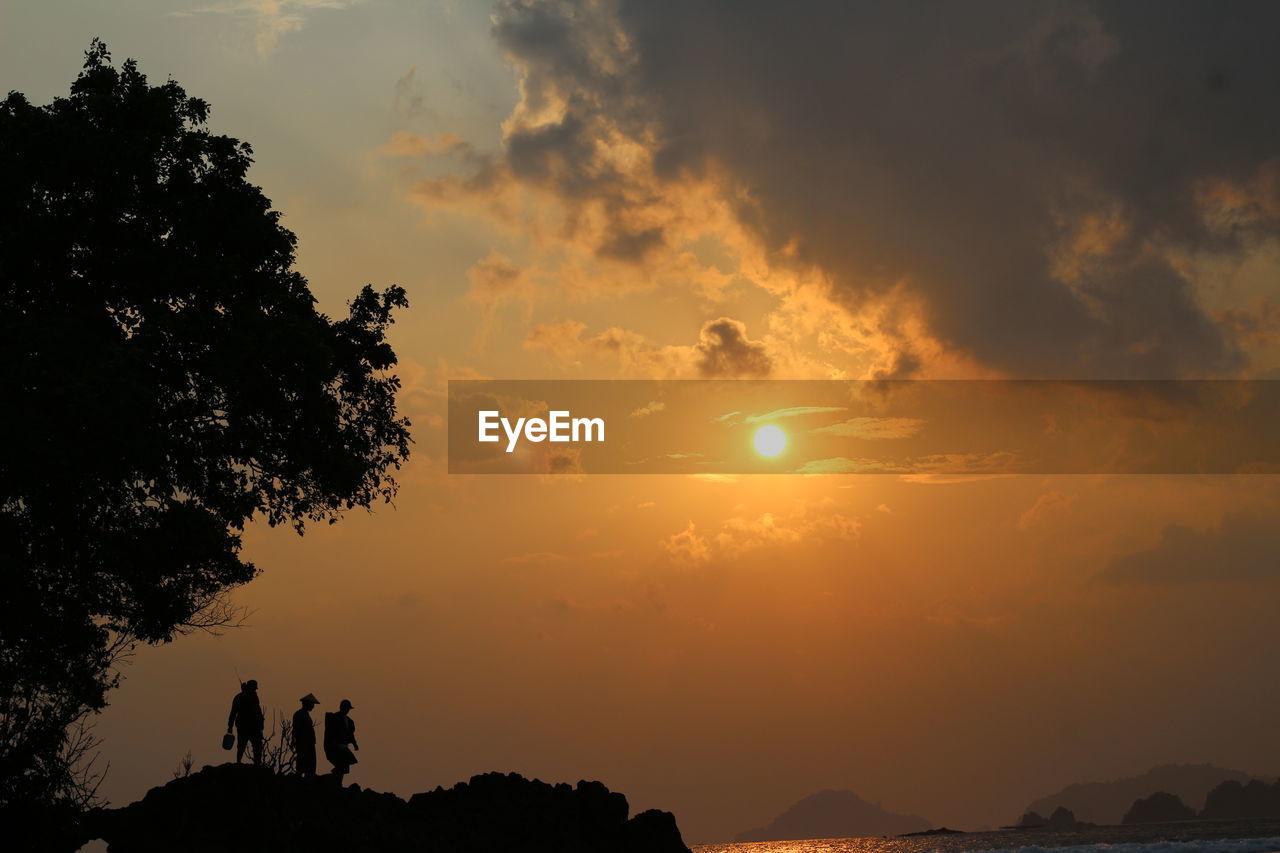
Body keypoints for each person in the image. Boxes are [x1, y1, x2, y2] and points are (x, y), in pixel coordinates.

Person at [227, 679, 265, 765]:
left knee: (254, 746)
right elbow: (233, 713)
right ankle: (240, 762)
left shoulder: (241, 697)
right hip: (246, 726)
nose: (255, 690)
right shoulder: (245, 697)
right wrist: (230, 726)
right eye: (254, 688)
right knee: (243, 746)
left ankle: (255, 763)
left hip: (250, 726)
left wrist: (230, 727)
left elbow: (258, 712)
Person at [323, 698, 359, 779]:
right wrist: (332, 744)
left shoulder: (349, 721)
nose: (347, 710)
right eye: (345, 708)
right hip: (335, 747)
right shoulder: (334, 718)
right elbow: (330, 733)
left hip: (344, 746)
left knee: (344, 766)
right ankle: (331, 780)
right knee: (341, 765)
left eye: (348, 709)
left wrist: (355, 744)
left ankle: (337, 782)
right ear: (341, 707)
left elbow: (351, 734)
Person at [292, 693, 320, 777]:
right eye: (312, 704)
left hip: (309, 743)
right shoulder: (299, 714)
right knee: (302, 765)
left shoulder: (305, 714)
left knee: (310, 766)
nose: (313, 706)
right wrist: (294, 741)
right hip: (303, 743)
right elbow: (296, 729)